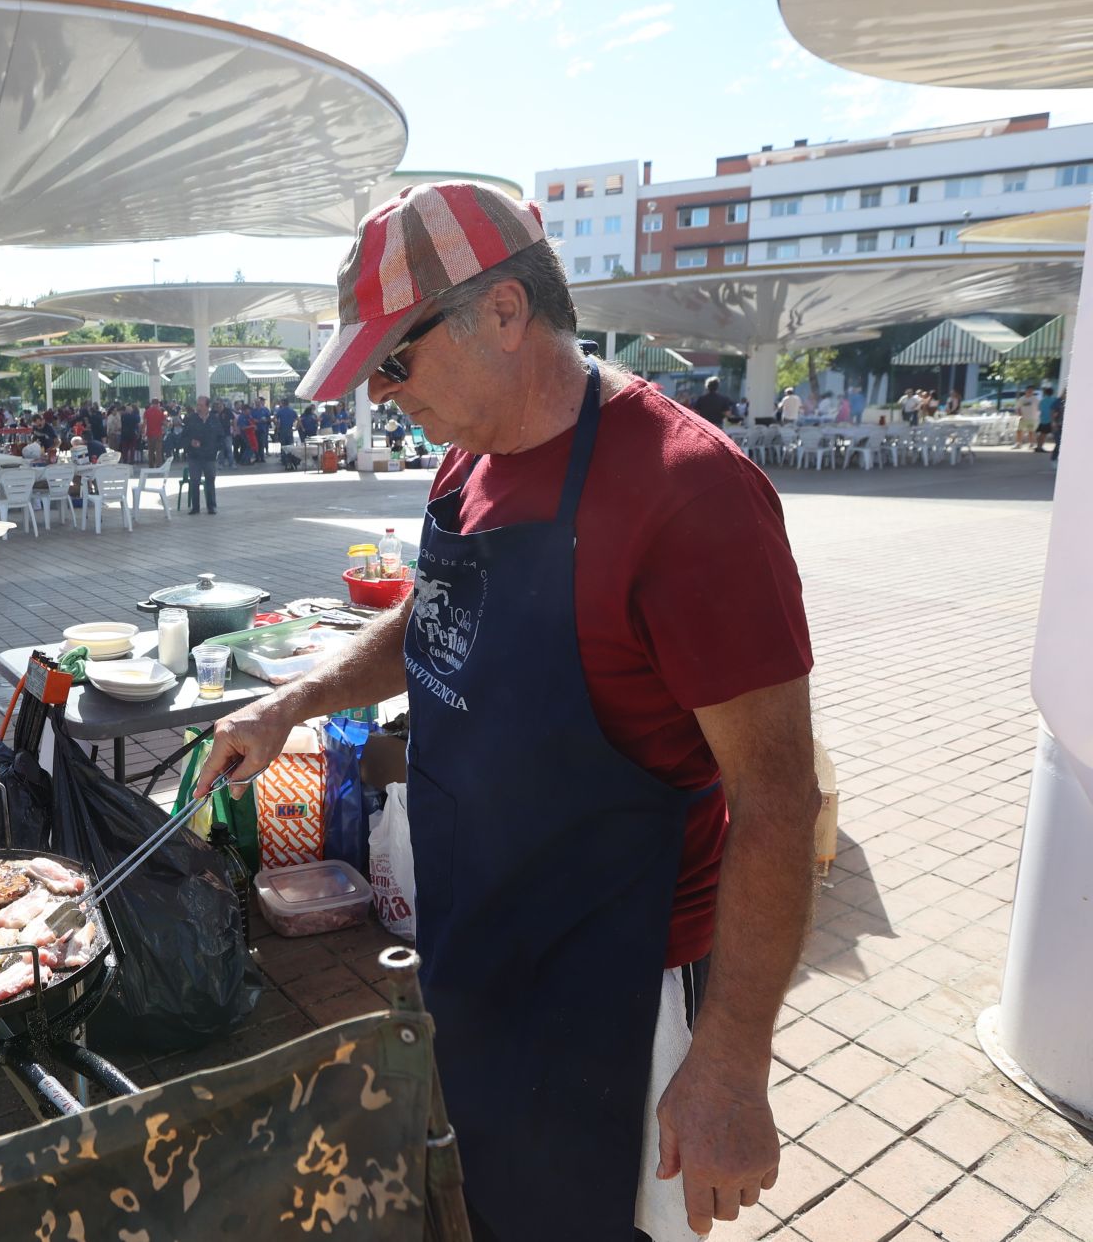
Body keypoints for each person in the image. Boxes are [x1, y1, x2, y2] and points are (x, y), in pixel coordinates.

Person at [198, 181, 816, 1242]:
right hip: (481, 943)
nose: (381, 395)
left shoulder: (690, 494)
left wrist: (730, 1060)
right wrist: (296, 700)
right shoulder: (466, 456)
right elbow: (436, 621)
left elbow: (778, 800)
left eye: (393, 362)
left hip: (617, 983)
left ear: (502, 312)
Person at [182, 394, 220, 515]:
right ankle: (195, 507)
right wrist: (190, 442)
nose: (198, 407)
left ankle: (211, 506)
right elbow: (183, 437)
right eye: (197, 405)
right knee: (194, 481)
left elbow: (221, 436)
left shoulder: (214, 419)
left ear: (207, 407)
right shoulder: (191, 419)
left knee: (210, 480)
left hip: (209, 457)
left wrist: (216, 450)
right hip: (195, 456)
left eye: (201, 405)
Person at [143, 397, 167, 467]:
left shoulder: (147, 412)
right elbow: (164, 423)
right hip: (158, 434)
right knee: (158, 451)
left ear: (152, 403)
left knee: (150, 451)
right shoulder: (160, 412)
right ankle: (158, 465)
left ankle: (151, 465)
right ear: (158, 404)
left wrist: (143, 432)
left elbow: (144, 423)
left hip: (150, 434)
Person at [1036, 385, 1059, 454]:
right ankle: (1057, 449)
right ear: (1053, 392)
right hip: (1053, 420)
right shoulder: (1055, 400)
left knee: (1042, 434)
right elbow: (1057, 410)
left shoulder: (1042, 400)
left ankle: (1039, 447)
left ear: (1045, 393)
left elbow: (1039, 409)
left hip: (1043, 419)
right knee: (1057, 435)